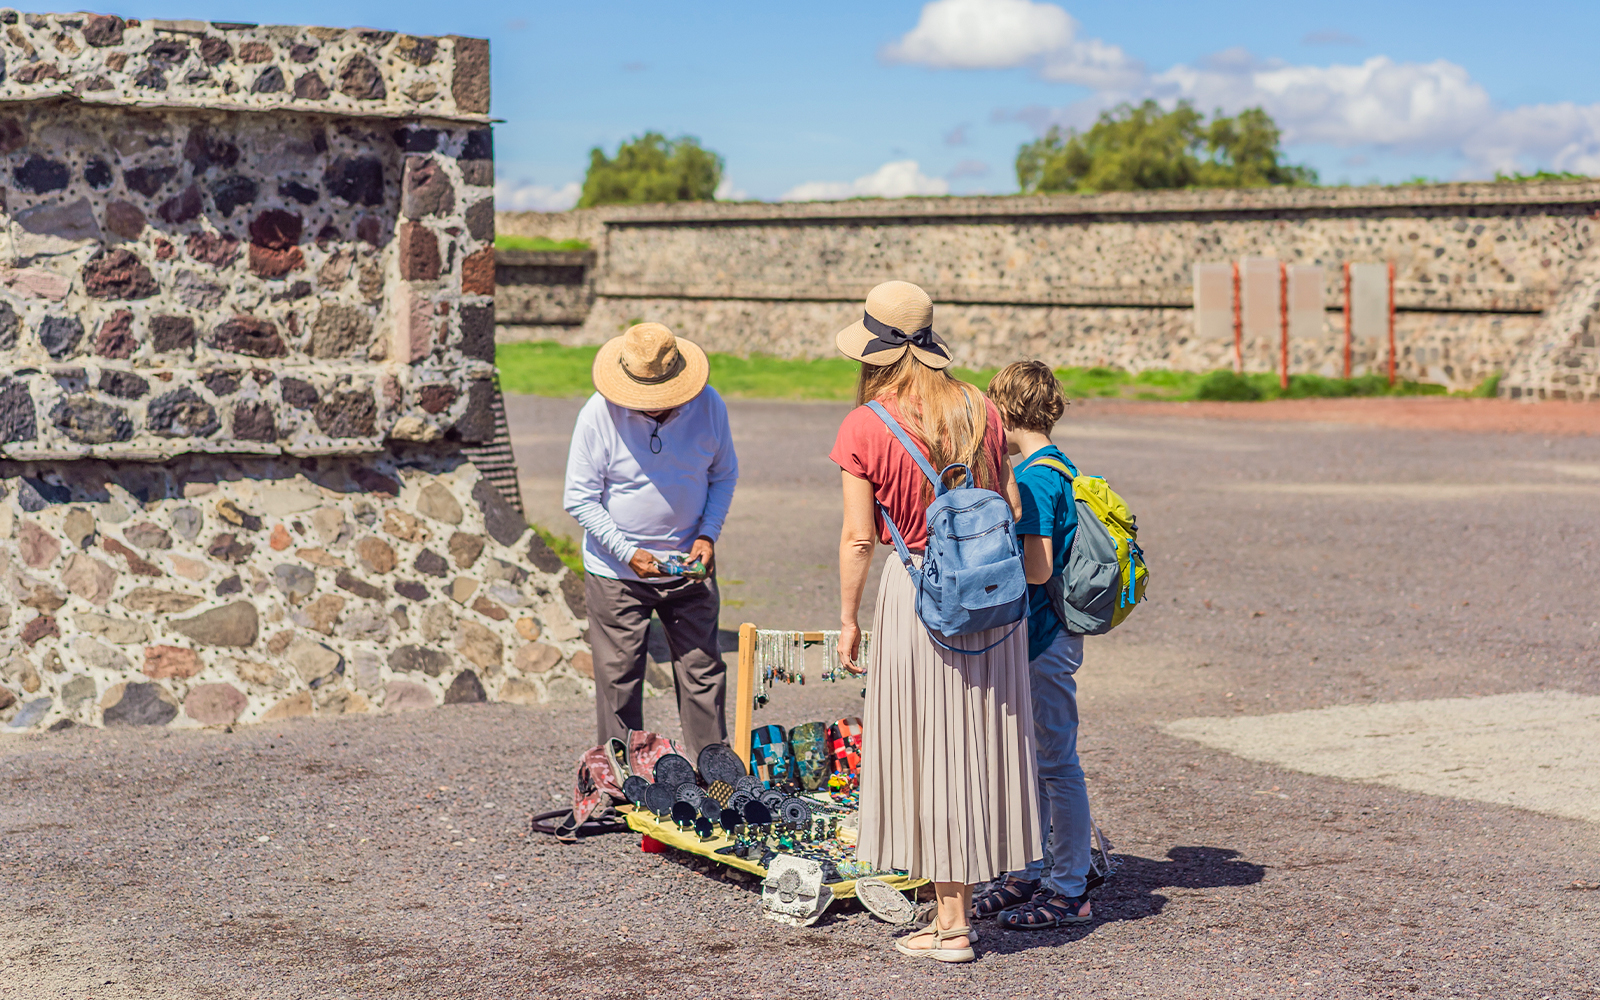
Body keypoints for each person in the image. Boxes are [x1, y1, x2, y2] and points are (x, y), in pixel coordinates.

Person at [831, 281, 1041, 963]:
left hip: (918, 591)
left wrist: (848, 619)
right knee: (975, 743)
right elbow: (1008, 504)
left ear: (875, 351)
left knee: (930, 750)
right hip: (988, 592)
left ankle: (952, 925)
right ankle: (961, 900)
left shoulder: (866, 424)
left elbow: (860, 537)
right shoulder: (982, 408)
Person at [563, 322, 738, 760]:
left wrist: (707, 534)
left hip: (688, 564)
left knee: (703, 672)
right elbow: (579, 499)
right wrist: (628, 552)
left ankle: (713, 776)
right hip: (617, 572)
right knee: (619, 678)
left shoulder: (709, 405)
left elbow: (723, 474)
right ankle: (623, 782)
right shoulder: (597, 414)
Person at [973, 360, 1094, 929]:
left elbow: (1039, 568)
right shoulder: (1059, 465)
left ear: (1004, 409)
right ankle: (1031, 869)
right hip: (1050, 635)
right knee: (1031, 761)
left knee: (1055, 762)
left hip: (1044, 635)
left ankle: (1070, 887)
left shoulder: (1035, 478)